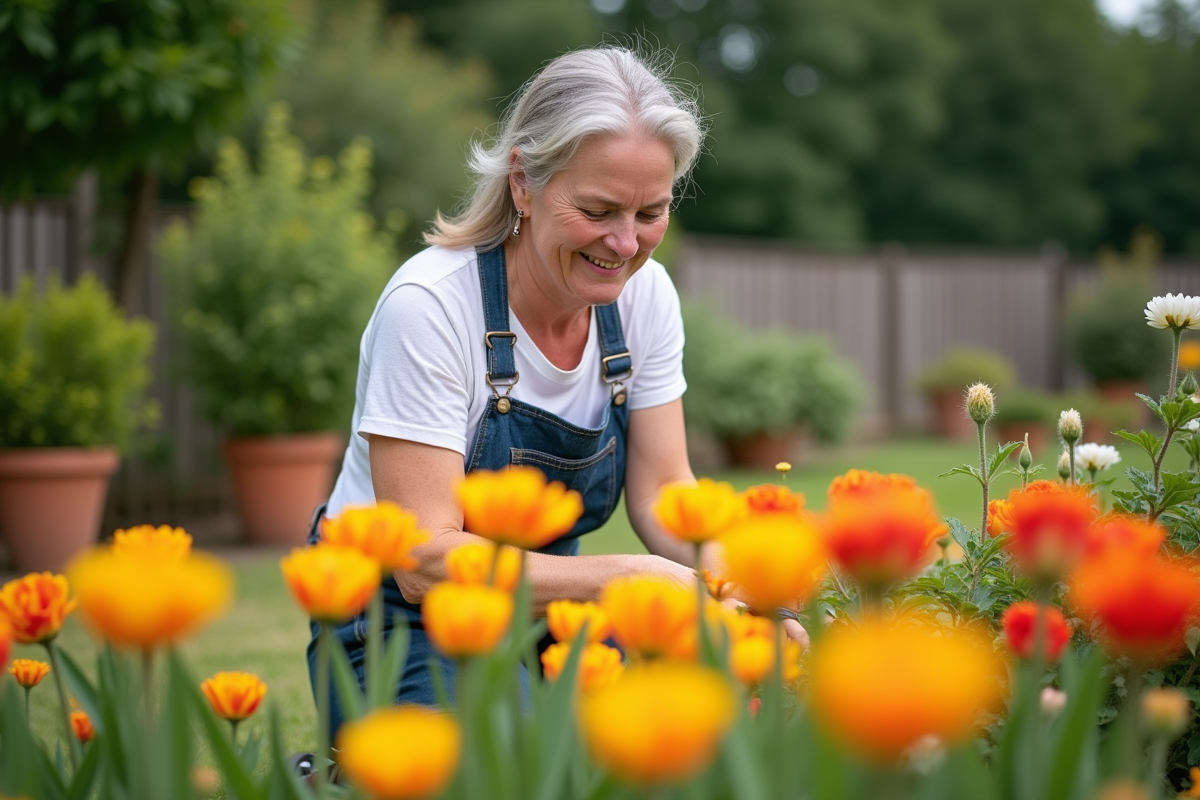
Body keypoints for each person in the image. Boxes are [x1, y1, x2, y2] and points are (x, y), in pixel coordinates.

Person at [306, 46, 797, 734]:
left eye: (650, 212)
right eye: (598, 210)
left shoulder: (645, 296)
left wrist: (742, 589)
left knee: (707, 727)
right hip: (397, 618)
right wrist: (627, 578)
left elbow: (664, 493)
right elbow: (421, 559)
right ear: (524, 184)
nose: (625, 245)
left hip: (548, 608)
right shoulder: (431, 306)